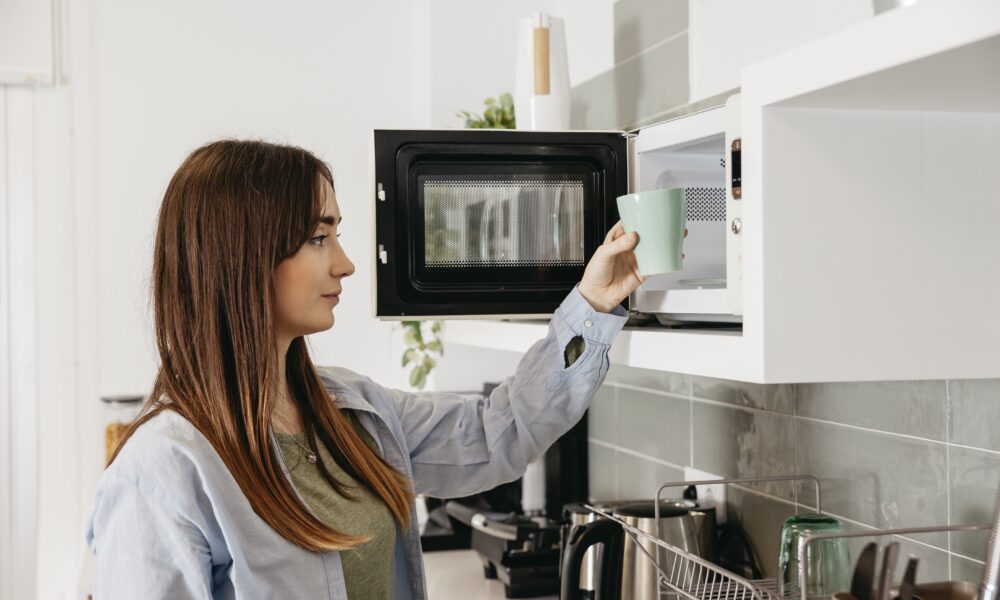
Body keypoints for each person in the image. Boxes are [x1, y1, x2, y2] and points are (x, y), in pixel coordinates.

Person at [85, 139, 647, 599]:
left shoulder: (352, 411)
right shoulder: (162, 472)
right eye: (318, 237)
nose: (346, 263)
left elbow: (495, 433)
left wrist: (591, 307)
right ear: (243, 257)